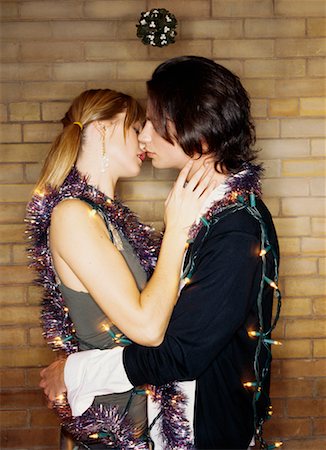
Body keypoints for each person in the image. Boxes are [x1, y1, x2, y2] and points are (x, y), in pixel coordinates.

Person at [40, 57, 280, 450]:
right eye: (138, 126)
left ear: (194, 128)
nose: (144, 137)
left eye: (152, 122)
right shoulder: (198, 212)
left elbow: (181, 351)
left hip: (206, 432)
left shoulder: (236, 225)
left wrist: (76, 371)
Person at [26, 88, 215, 449]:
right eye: (135, 127)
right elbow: (147, 327)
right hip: (112, 423)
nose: (145, 138)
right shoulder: (73, 215)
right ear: (102, 130)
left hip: (142, 410)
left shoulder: (109, 217)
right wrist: (176, 229)